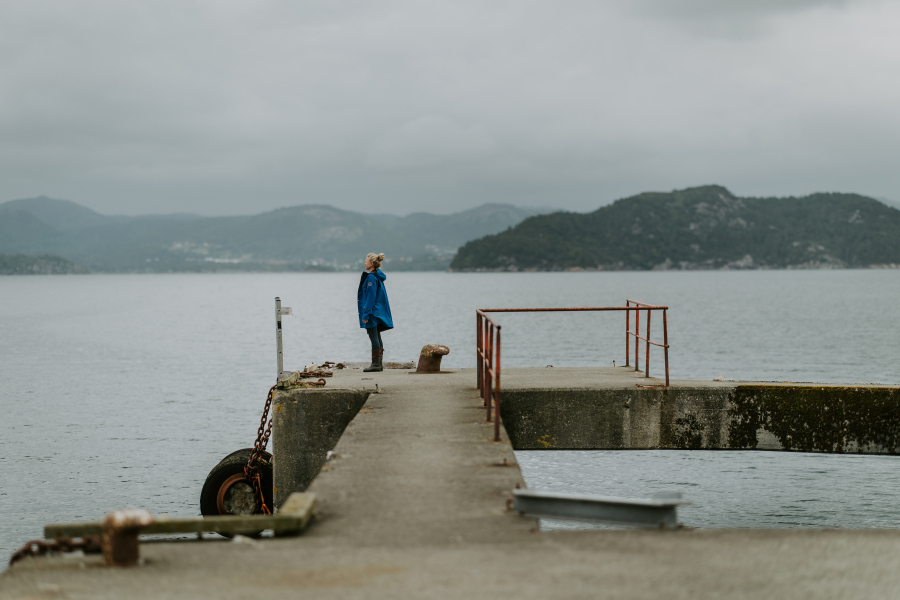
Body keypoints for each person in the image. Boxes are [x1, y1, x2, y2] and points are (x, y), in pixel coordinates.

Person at [357, 252, 393, 372]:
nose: (364, 263)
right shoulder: (377, 276)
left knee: (373, 336)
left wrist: (366, 314)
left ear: (371, 264)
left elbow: (370, 297)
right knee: (376, 336)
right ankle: (379, 364)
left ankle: (376, 364)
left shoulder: (371, 278)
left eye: (366, 262)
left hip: (372, 312)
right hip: (377, 311)